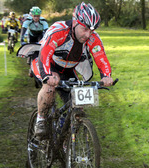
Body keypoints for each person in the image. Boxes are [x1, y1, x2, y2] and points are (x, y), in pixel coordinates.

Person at [28, 2, 114, 139]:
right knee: (50, 87)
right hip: (46, 62)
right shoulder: (58, 31)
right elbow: (44, 54)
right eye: (85, 29)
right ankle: (41, 119)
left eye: (92, 30)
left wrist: (106, 76)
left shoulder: (93, 37)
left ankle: (63, 137)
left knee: (78, 108)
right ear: (75, 22)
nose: (88, 34)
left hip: (68, 68)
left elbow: (100, 56)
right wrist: (47, 75)